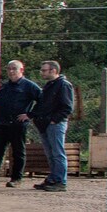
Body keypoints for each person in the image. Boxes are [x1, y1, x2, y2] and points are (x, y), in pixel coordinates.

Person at [0, 59, 41, 186]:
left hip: (17, 125)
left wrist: (30, 115)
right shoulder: (5, 86)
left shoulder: (29, 86)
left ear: (21, 70)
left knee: (18, 152)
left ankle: (16, 179)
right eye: (9, 69)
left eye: (14, 69)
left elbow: (42, 101)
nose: (11, 71)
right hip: (2, 124)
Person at [32, 60, 77, 192]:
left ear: (54, 70)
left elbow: (67, 107)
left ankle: (60, 181)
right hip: (46, 124)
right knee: (51, 153)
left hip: (55, 124)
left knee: (57, 153)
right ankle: (53, 178)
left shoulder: (63, 85)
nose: (42, 73)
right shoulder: (49, 86)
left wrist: (54, 120)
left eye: (44, 70)